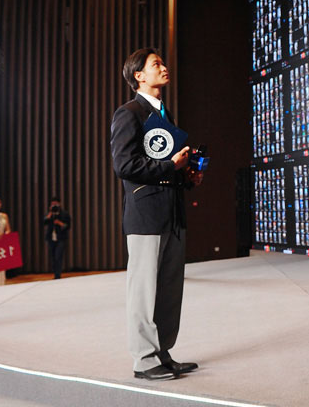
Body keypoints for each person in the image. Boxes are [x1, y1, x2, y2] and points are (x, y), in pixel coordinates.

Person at [110, 48, 203, 381]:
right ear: (139, 75)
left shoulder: (165, 115)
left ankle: (162, 352)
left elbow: (164, 165)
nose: (164, 68)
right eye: (156, 65)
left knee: (168, 287)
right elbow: (124, 165)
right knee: (144, 289)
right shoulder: (129, 113)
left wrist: (185, 175)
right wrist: (169, 165)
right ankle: (144, 360)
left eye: (162, 63)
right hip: (146, 214)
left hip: (172, 213)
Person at [43, 197, 71, 279]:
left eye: (55, 204)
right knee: (53, 257)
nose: (54, 205)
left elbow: (68, 226)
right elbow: (44, 222)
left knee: (58, 256)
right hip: (51, 238)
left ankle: (57, 275)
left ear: (59, 204)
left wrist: (59, 223)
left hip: (61, 238)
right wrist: (50, 213)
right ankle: (56, 273)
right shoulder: (49, 214)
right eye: (52, 204)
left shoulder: (65, 214)